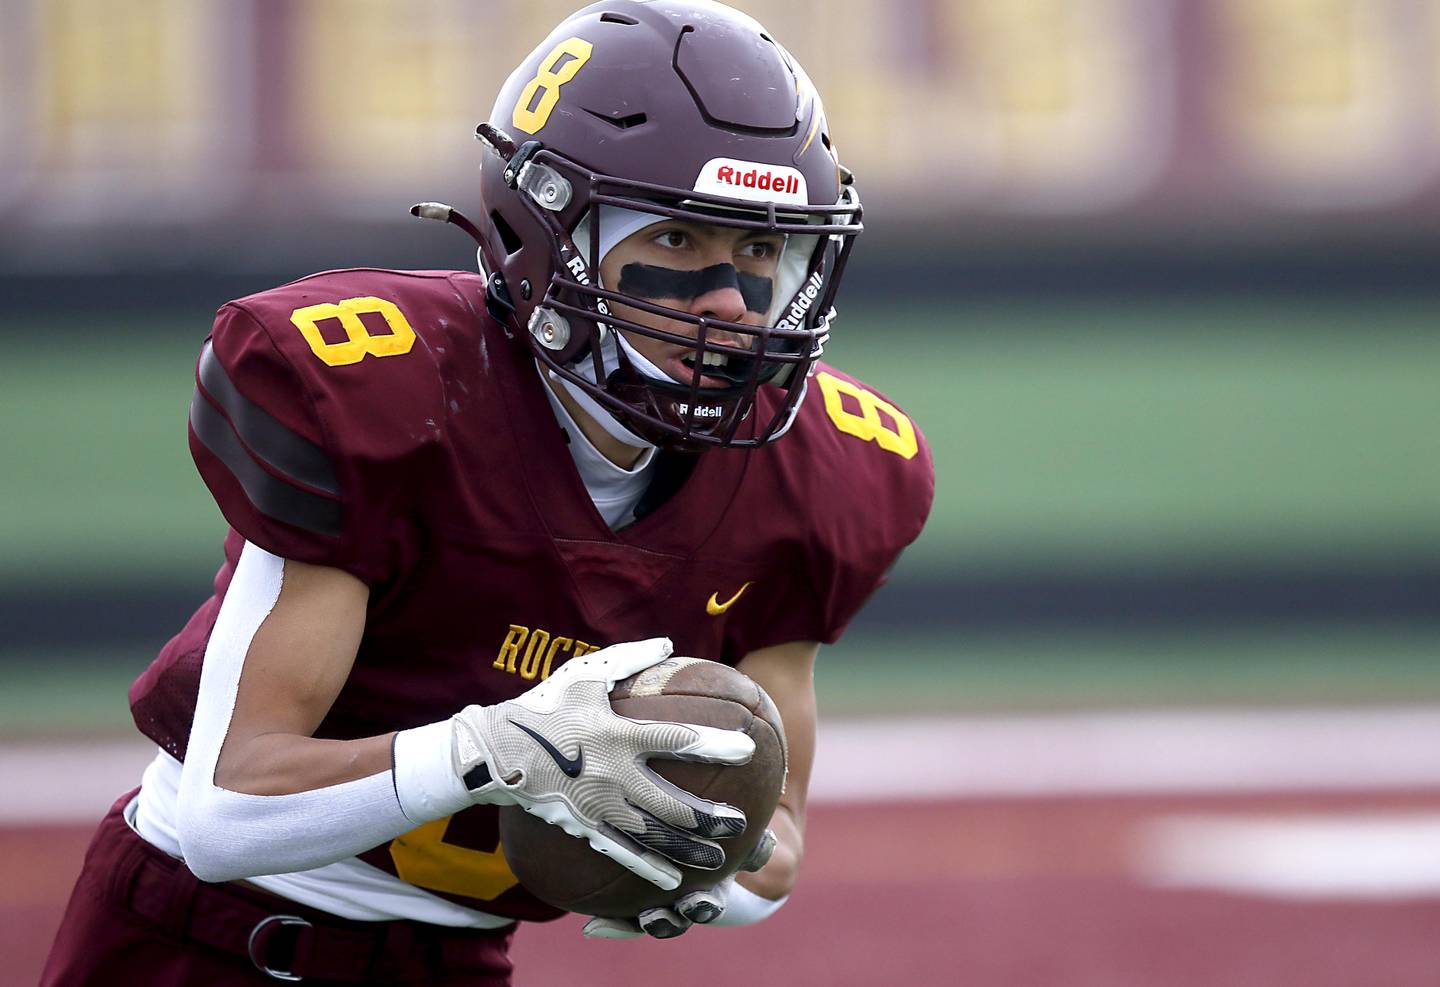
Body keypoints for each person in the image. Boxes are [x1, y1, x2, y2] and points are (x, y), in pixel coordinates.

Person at [41, 1, 933, 984]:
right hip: (201, 941)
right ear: (546, 227)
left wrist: (683, 851)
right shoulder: (388, 387)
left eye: (762, 251)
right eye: (679, 240)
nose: (729, 297)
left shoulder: (819, 474)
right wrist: (502, 751)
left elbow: (775, 851)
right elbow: (227, 815)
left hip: (457, 964)